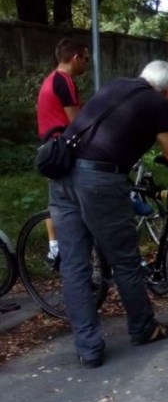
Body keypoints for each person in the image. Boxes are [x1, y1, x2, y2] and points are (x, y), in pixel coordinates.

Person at [49, 61, 168, 369]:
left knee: (74, 267)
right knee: (125, 261)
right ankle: (143, 328)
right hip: (99, 181)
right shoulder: (158, 102)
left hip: (62, 176)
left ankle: (88, 349)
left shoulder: (115, 85)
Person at [37, 38, 90, 262]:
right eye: (86, 59)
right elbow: (77, 123)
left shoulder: (51, 79)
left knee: (58, 200)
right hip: (62, 151)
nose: (87, 64)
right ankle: (63, 250)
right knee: (84, 198)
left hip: (51, 149)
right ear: (75, 58)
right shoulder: (64, 80)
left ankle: (55, 247)